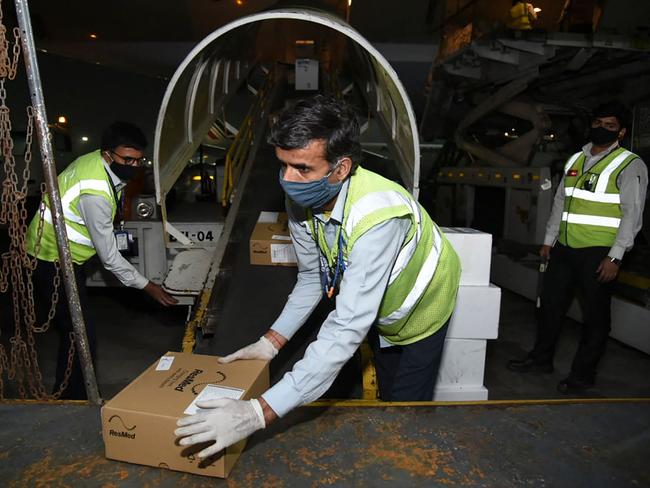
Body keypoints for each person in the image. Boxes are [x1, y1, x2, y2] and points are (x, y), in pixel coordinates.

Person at [175, 95, 461, 460]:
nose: (288, 181)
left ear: (340, 169)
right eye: (283, 166)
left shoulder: (379, 217)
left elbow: (346, 327)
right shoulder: (303, 200)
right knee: (387, 384)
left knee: (404, 412)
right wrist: (271, 342)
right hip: (380, 306)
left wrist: (257, 413)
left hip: (423, 306)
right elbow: (312, 276)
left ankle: (402, 460)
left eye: (302, 169)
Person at [25, 121, 177, 399]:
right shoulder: (95, 193)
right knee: (80, 333)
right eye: (127, 159)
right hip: (52, 257)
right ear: (108, 154)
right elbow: (109, 258)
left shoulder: (96, 161)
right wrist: (149, 287)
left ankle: (71, 393)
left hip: (68, 256)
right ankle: (72, 399)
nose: (133, 165)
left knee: (75, 329)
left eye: (137, 159)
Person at [507, 102, 648, 394]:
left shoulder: (629, 164)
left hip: (599, 253)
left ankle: (582, 376)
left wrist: (616, 256)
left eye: (610, 125)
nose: (602, 128)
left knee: (595, 319)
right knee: (549, 308)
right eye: (598, 123)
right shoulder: (576, 159)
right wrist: (549, 240)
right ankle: (541, 359)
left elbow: (632, 214)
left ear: (621, 132)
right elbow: (561, 202)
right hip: (564, 249)